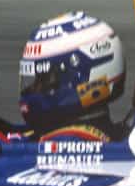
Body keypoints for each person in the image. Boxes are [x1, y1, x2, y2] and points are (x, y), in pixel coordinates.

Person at [17, 11, 126, 141]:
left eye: (45, 80)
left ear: (79, 77)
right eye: (37, 80)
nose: (35, 88)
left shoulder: (68, 141)